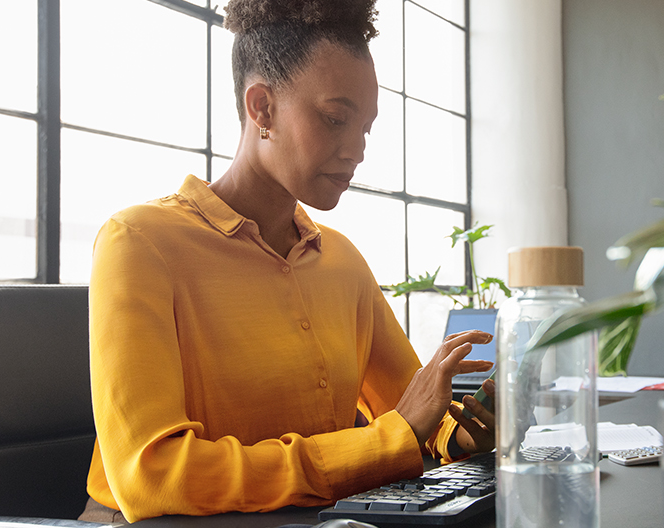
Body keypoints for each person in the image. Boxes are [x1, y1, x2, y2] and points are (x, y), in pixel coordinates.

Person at [79, 0, 497, 522]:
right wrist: (385, 444)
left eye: (365, 127)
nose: (357, 150)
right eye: (335, 119)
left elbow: (415, 420)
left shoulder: (342, 260)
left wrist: (465, 435)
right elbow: (153, 474)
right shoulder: (140, 242)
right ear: (263, 110)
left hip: (322, 519)